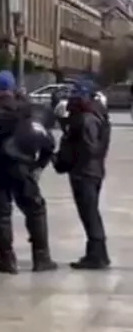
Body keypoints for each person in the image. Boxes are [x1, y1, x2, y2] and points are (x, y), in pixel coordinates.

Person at [0, 71, 57, 274]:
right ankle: (41, 257)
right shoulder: (26, 110)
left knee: (0, 215)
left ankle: (7, 260)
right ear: (13, 87)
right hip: (23, 168)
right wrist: (39, 165)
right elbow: (47, 141)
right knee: (35, 210)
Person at [55, 84, 111, 270]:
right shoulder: (95, 115)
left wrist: (68, 151)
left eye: (75, 96)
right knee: (90, 212)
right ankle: (97, 253)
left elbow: (89, 148)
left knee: (89, 213)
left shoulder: (87, 119)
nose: (71, 100)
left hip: (85, 173)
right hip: (91, 171)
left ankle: (97, 255)